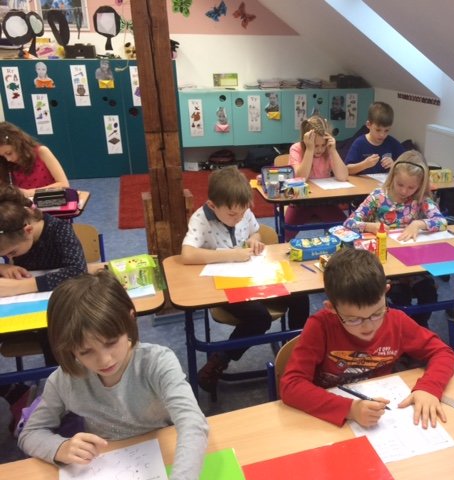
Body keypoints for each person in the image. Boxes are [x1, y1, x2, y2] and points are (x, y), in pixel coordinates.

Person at [18, 271, 209, 480]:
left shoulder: (157, 362)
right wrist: (60, 447)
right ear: (69, 348)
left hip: (163, 454)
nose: (105, 360)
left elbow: (192, 423)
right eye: (86, 352)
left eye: (111, 343)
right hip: (106, 463)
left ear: (130, 321)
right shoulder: (64, 380)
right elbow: (30, 433)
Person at [280, 248, 454, 428]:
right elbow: (291, 386)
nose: (368, 326)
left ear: (386, 292)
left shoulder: (396, 321)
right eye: (353, 319)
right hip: (332, 415)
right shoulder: (320, 327)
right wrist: (350, 409)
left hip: (382, 408)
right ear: (331, 308)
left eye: (377, 313)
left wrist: (429, 388)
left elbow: (443, 352)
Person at [180, 166, 310, 399]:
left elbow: (255, 232)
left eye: (242, 213)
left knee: (300, 294)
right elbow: (187, 255)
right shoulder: (201, 219)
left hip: (254, 277)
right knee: (259, 317)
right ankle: (220, 360)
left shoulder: (241, 210)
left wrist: (254, 240)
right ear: (212, 205)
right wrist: (230, 254)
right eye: (232, 215)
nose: (238, 218)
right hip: (222, 286)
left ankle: (296, 354)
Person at [344, 150, 446, 323]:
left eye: (411, 187)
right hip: (385, 264)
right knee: (400, 297)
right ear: (392, 178)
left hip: (412, 263)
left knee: (428, 295)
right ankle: (400, 328)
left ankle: (418, 327)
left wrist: (418, 224)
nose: (405, 191)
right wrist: (370, 226)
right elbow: (349, 222)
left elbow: (441, 221)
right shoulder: (379, 196)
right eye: (400, 185)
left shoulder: (420, 199)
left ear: (420, 185)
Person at [0, 184, 86, 297]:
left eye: (12, 252)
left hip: (61, 296)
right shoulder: (8, 236)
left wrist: (20, 286)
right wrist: (2, 267)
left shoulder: (59, 229)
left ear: (28, 231)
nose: (9, 258)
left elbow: (78, 271)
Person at [285, 116, 349, 241]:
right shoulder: (296, 148)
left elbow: (343, 176)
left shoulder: (328, 149)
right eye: (315, 145)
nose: (319, 149)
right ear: (306, 141)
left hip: (324, 201)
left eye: (323, 145)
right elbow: (301, 178)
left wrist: (333, 151)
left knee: (345, 230)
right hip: (301, 202)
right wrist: (309, 150)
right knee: (286, 232)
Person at [0, 121, 70, 197]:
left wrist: (30, 193)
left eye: (9, 153)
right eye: (3, 156)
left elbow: (64, 184)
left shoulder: (41, 152)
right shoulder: (5, 163)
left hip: (49, 199)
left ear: (18, 143)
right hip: (25, 203)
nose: (8, 159)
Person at [344, 101, 405, 176]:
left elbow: (408, 164)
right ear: (368, 125)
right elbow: (347, 170)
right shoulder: (359, 143)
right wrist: (364, 165)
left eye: (386, 130)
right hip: (363, 182)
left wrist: (394, 165)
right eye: (378, 130)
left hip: (383, 182)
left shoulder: (391, 142)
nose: (382, 135)